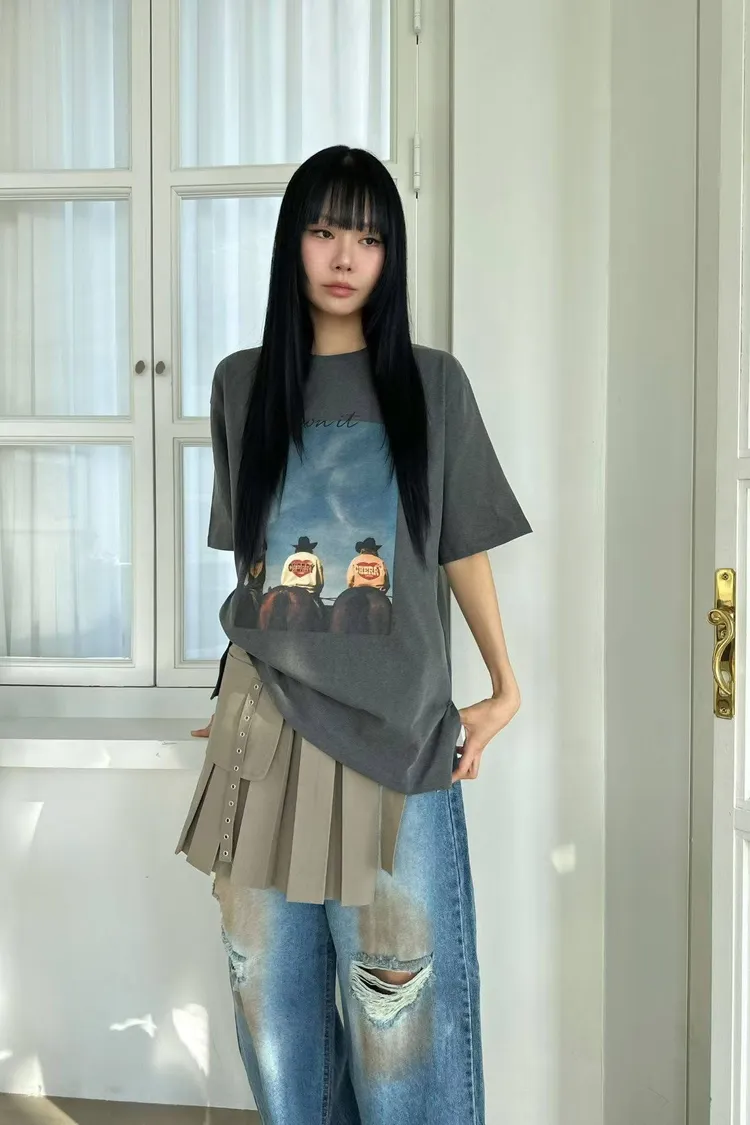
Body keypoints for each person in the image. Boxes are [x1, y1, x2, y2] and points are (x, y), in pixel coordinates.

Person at [177, 145, 531, 1125]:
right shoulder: (242, 384)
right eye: (325, 230)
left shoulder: (433, 384)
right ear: (292, 243)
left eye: (368, 238)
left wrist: (505, 686)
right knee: (273, 1010)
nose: (344, 257)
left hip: (393, 741)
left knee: (401, 1016)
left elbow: (461, 548)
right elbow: (254, 573)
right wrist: (233, 697)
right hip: (262, 738)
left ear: (389, 257)